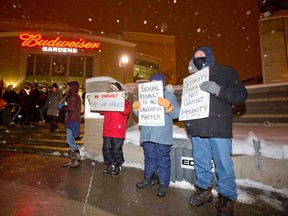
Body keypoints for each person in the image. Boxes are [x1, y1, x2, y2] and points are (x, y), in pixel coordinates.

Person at [186, 46, 248, 216]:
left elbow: (241, 95)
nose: (199, 58)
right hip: (198, 128)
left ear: (210, 56)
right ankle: (204, 191)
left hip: (219, 126)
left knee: (223, 164)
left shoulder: (226, 72)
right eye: (195, 56)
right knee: (200, 161)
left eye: (202, 55)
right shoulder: (192, 79)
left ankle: (227, 197)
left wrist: (218, 89)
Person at [132, 74, 180, 197]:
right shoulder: (146, 96)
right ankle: (148, 179)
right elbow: (142, 114)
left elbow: (177, 114)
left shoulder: (169, 95)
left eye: (157, 81)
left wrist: (169, 107)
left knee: (162, 159)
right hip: (147, 133)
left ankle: (163, 184)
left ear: (162, 83)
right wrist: (136, 109)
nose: (154, 83)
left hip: (162, 135)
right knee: (149, 157)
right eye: (152, 81)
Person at [100, 82, 131, 177]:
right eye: (110, 88)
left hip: (118, 130)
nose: (112, 90)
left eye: (114, 88)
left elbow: (126, 110)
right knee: (106, 149)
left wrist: (123, 100)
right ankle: (110, 164)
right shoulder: (107, 101)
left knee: (116, 149)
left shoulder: (124, 101)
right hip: (107, 130)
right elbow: (101, 111)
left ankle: (118, 165)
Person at [58, 81, 82, 168]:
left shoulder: (74, 96)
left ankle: (77, 158)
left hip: (73, 121)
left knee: (70, 141)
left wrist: (62, 107)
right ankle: (72, 159)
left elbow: (71, 108)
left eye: (68, 86)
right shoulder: (72, 96)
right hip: (71, 120)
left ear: (71, 87)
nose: (67, 88)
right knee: (69, 140)